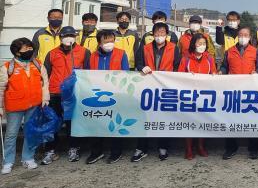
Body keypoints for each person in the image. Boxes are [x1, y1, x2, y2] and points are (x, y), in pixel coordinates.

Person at [132, 23, 181, 162]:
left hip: (166, 88)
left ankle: (163, 147)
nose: (160, 35)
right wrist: (142, 67)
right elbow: (138, 63)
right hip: (148, 88)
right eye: (157, 32)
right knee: (145, 117)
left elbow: (177, 67)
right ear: (153, 34)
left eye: (162, 32)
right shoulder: (145, 48)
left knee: (164, 118)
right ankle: (141, 148)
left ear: (167, 34)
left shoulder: (174, 48)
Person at [0, 38, 50, 174]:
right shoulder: (7, 67)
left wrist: (45, 98)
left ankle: (28, 158)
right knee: (11, 134)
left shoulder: (38, 64)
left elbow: (45, 83)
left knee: (30, 132)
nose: (30, 50)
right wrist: (0, 107)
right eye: (26, 48)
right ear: (17, 52)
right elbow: (1, 88)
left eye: (30, 48)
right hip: (14, 106)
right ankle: (8, 162)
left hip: (34, 104)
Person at [42, 26, 90, 165]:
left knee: (72, 123)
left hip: (73, 93)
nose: (69, 38)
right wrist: (45, 93)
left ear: (75, 37)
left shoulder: (84, 52)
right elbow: (45, 75)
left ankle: (74, 148)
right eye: (65, 36)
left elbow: (88, 73)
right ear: (60, 37)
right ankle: (50, 150)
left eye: (72, 35)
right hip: (55, 93)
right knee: (52, 122)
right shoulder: (52, 53)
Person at [85, 30, 129, 165]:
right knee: (97, 122)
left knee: (115, 122)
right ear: (99, 43)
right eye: (106, 41)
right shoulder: (93, 56)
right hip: (97, 95)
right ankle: (96, 152)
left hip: (115, 94)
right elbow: (87, 74)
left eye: (112, 40)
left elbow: (126, 74)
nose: (110, 43)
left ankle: (116, 151)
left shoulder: (121, 54)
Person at [219, 26, 258, 160]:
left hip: (250, 91)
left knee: (253, 120)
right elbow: (224, 66)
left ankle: (253, 149)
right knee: (230, 120)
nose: (243, 37)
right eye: (241, 35)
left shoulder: (255, 51)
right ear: (237, 36)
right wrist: (221, 72)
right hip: (234, 90)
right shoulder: (229, 51)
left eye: (246, 35)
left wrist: (257, 72)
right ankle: (231, 148)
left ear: (250, 37)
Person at [179, 33, 217, 159]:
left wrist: (215, 75)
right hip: (189, 95)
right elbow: (178, 77)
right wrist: (187, 76)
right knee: (189, 122)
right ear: (193, 44)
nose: (202, 46)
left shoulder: (209, 58)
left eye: (204, 43)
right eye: (199, 43)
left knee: (202, 121)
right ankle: (189, 148)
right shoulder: (186, 59)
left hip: (204, 96)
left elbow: (214, 73)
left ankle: (200, 146)